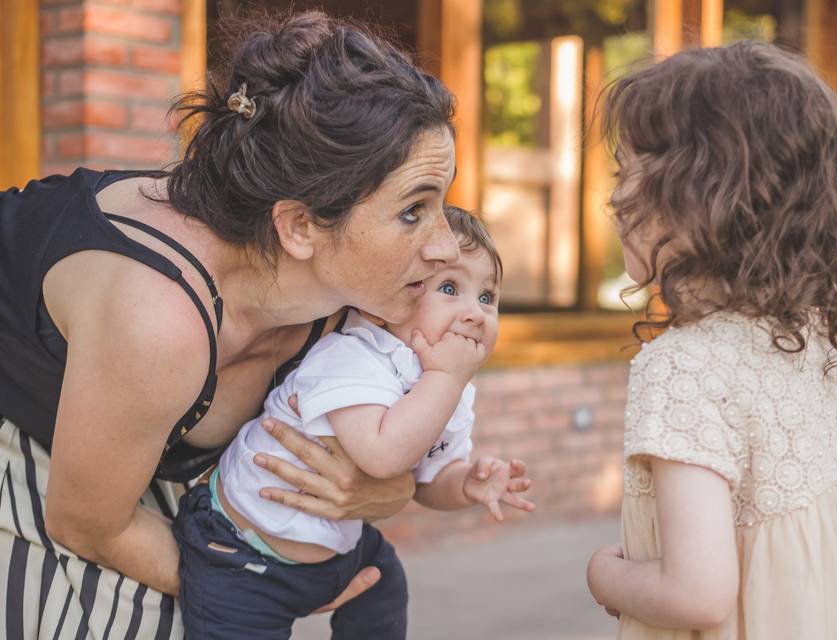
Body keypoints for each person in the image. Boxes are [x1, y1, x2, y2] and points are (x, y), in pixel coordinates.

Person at [0, 11, 463, 638]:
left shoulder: (353, 297)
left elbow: (397, 454)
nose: (447, 248)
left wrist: (390, 486)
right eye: (413, 211)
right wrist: (268, 579)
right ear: (299, 226)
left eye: (443, 204)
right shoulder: (158, 318)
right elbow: (87, 523)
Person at [586, 41, 837, 639]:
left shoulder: (682, 367)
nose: (614, 198)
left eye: (628, 175)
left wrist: (604, 579)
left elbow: (697, 595)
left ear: (706, 198)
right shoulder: (807, 337)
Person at [174, 205, 535, 639]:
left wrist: (464, 485)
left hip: (338, 550)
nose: (476, 313)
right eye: (449, 288)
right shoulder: (356, 356)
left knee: (384, 586)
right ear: (390, 302)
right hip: (241, 554)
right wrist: (445, 378)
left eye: (487, 297)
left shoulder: (448, 388)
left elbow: (427, 480)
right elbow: (382, 455)